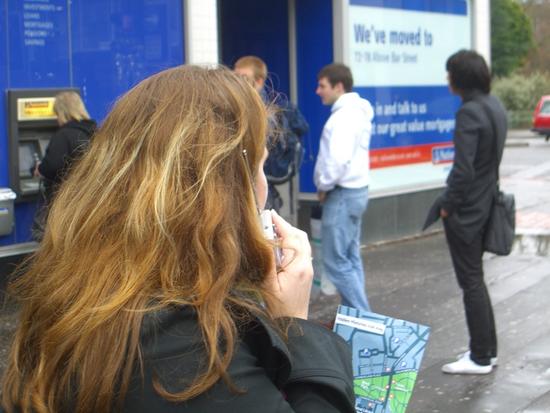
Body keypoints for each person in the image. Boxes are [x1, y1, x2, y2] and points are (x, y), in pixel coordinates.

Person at [1, 66, 355, 413]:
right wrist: (295, 324)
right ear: (223, 189)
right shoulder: (185, 345)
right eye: (258, 167)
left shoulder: (85, 288)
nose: (264, 187)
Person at [437, 50, 507, 375]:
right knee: (476, 281)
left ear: (460, 78)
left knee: (471, 283)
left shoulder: (468, 112)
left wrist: (447, 207)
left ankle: (480, 356)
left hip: (466, 214)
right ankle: (486, 351)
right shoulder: (494, 106)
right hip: (486, 204)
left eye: (450, 73)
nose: (447, 79)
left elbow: (463, 171)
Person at [313, 63, 373, 313]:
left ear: (339, 86)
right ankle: (358, 320)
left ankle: (367, 321)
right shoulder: (358, 112)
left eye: (323, 86)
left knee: (336, 262)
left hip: (340, 195)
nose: (318, 91)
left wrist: (323, 185)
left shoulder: (342, 118)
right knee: (350, 259)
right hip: (356, 193)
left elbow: (337, 161)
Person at [234, 56, 309, 212]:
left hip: (262, 188)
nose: (239, 83)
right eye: (235, 77)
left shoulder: (263, 112)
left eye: (244, 78)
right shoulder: (243, 106)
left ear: (260, 80)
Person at [35, 91, 96, 204]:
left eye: (57, 114)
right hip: (90, 196)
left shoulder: (64, 135)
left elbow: (52, 166)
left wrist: (40, 169)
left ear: (63, 113)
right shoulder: (94, 132)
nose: (57, 119)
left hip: (67, 200)